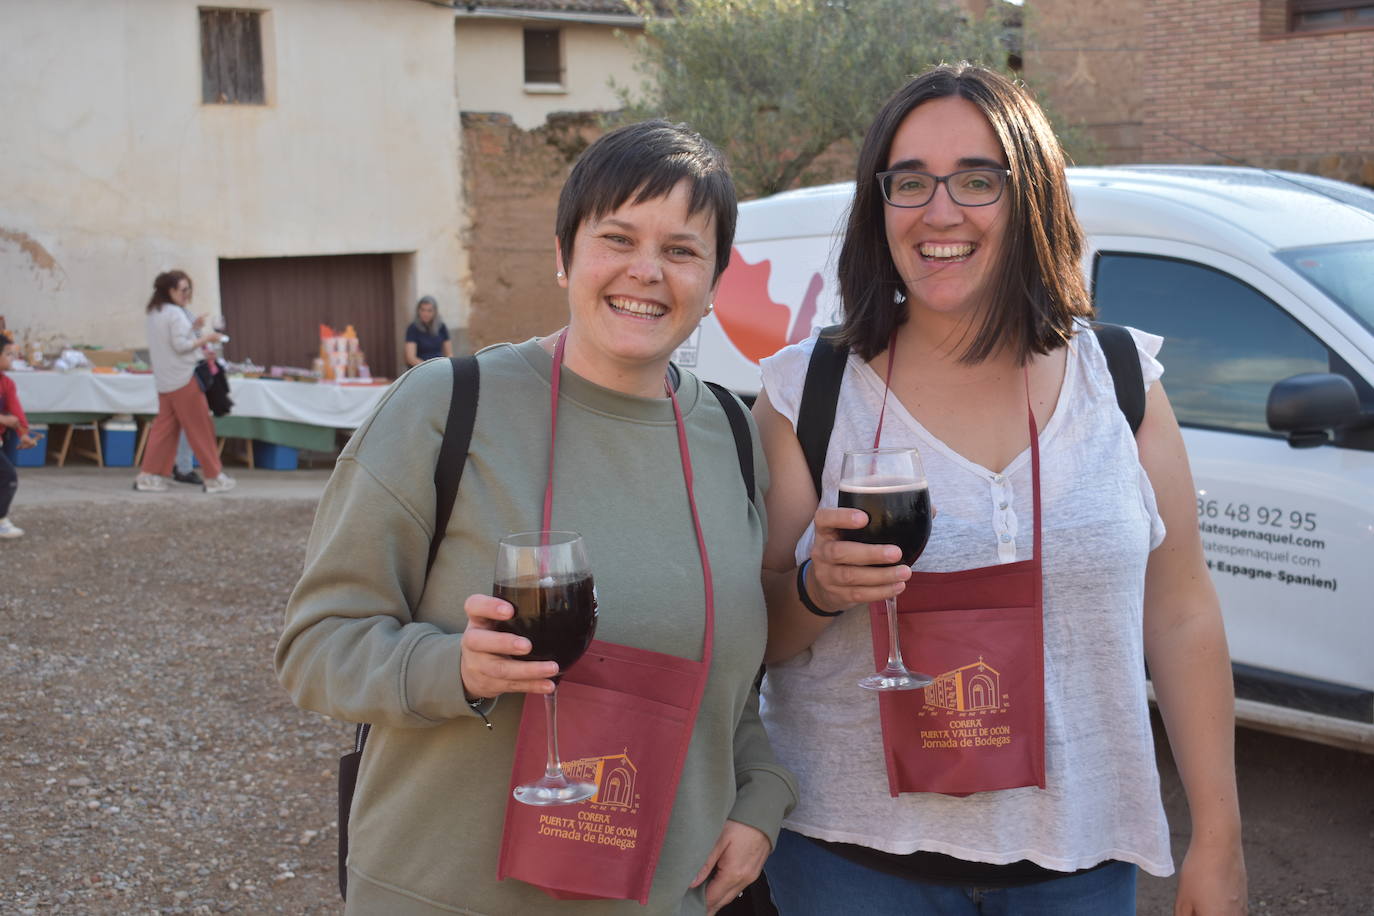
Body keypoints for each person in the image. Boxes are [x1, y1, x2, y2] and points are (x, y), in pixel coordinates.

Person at [752, 64, 1247, 915]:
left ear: (1032, 199)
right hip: (850, 866)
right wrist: (816, 588)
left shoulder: (1121, 379)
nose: (940, 211)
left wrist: (1221, 839)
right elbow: (755, 636)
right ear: (881, 207)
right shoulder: (808, 391)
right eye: (911, 181)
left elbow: (1181, 614)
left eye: (978, 179)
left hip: (1080, 865)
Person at [276, 120, 798, 915]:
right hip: (444, 896)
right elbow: (316, 647)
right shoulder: (445, 407)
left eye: (682, 250)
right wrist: (457, 668)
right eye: (616, 237)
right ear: (563, 255)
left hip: (658, 896)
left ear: (716, 278)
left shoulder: (732, 435)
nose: (646, 272)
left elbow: (728, 679)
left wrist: (761, 799)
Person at [133, 270, 236, 494]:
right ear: (170, 291)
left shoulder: (155, 312)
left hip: (165, 380)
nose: (187, 294)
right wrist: (206, 338)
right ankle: (214, 476)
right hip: (183, 378)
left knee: (164, 430)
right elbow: (180, 346)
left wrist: (192, 329)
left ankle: (149, 475)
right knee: (200, 428)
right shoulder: (175, 313)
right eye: (183, 289)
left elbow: (172, 342)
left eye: (189, 289)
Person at [0, 331, 42, 539]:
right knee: (7, 477)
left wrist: (24, 434)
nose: (12, 359)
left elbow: (16, 412)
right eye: (7, 354)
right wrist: (3, 419)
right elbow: (8, 417)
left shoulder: (7, 383)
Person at [403, 294, 453, 366]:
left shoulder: (441, 327)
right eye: (423, 310)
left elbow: (449, 353)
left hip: (440, 366)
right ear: (418, 311)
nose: (425, 313)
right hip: (420, 368)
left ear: (435, 312)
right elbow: (410, 358)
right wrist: (428, 368)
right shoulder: (413, 328)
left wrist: (446, 366)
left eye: (429, 310)